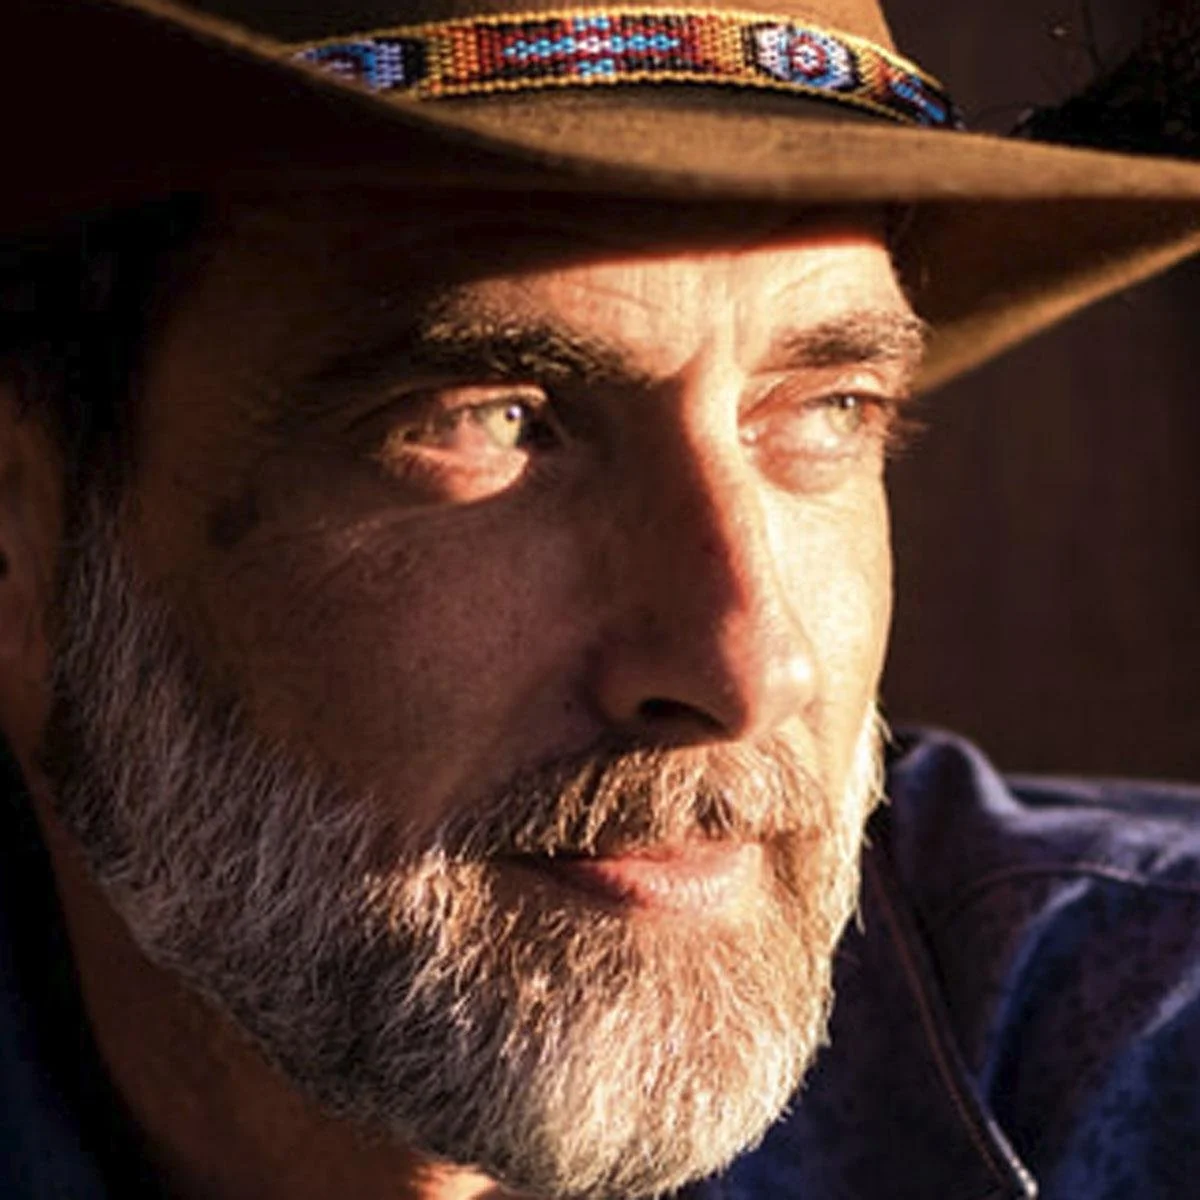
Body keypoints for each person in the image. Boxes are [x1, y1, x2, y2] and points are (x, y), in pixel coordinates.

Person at [2, 1, 1199, 1198]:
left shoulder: (1143, 1061)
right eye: (489, 419)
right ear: (21, 537)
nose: (746, 667)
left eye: (829, 407)